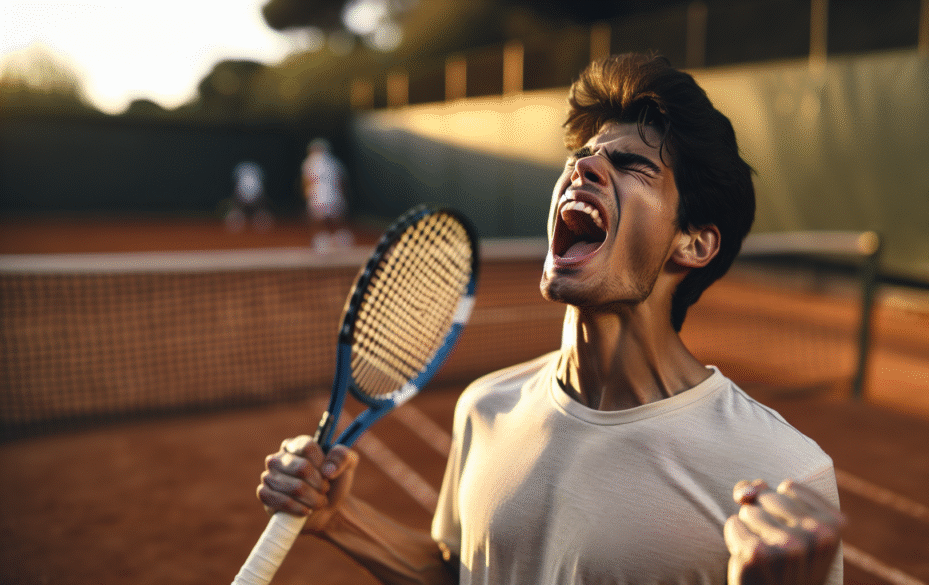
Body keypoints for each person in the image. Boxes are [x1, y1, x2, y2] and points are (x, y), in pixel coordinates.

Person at [257, 53, 846, 585]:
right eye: (582, 157)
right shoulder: (486, 407)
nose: (584, 169)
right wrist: (341, 520)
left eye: (631, 166)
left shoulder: (781, 473)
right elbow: (460, 573)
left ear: (692, 244)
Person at [302, 137, 352, 251]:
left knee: (317, 221)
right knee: (337, 219)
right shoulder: (335, 161)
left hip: (318, 195)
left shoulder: (309, 162)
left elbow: (306, 181)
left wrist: (306, 194)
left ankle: (321, 242)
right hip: (334, 195)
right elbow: (341, 181)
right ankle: (341, 239)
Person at [225, 160, 273, 233]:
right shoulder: (256, 170)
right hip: (254, 192)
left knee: (237, 207)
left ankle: (236, 217)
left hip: (248, 192)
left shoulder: (241, 169)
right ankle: (262, 216)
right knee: (260, 206)